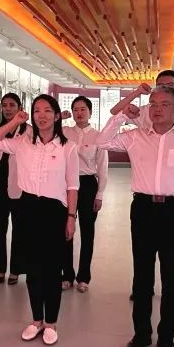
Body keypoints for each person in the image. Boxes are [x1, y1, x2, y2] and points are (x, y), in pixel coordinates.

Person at [96, 86, 174, 347]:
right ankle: (141, 335)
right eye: (153, 104)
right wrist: (122, 115)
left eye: (164, 104)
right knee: (142, 276)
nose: (157, 109)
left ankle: (167, 338)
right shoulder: (135, 137)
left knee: (171, 278)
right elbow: (101, 141)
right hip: (143, 209)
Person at [0, 95, 79, 345]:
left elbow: (73, 185)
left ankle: (51, 323)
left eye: (47, 110)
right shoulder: (22, 143)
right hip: (27, 207)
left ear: (57, 115)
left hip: (55, 210)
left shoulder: (68, 147)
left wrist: (71, 217)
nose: (41, 115)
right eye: (37, 110)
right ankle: (36, 319)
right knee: (33, 268)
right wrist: (15, 121)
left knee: (52, 269)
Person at [61, 96, 108, 292]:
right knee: (65, 230)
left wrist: (100, 194)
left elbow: (103, 167)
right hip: (65, 185)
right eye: (76, 110)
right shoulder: (64, 132)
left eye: (83, 109)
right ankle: (67, 275)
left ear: (90, 112)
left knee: (88, 232)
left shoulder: (98, 136)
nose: (79, 113)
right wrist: (59, 118)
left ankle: (83, 277)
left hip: (88, 184)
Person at [0, 93, 26, 285]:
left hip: (20, 185)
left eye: (12, 105)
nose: (8, 109)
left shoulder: (28, 131)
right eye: (5, 105)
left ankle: (16, 269)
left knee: (20, 229)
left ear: (20, 108)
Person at [113, 69, 174, 134]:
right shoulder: (145, 112)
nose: (165, 89)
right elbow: (115, 111)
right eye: (161, 86)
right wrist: (138, 92)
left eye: (170, 85)